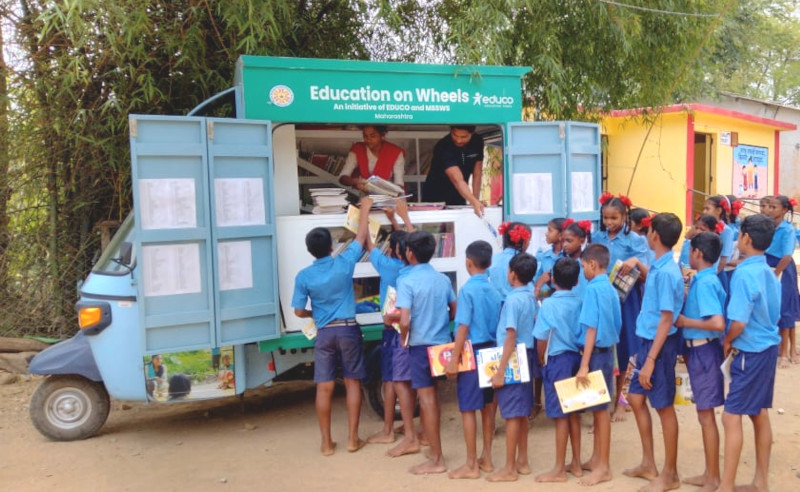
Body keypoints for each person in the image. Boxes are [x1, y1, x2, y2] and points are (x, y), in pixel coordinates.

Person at [291, 197, 372, 456]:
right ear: (332, 246)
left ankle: (326, 444)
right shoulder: (344, 263)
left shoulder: (304, 276)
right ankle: (352, 440)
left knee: (324, 387)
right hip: (348, 329)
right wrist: (366, 208)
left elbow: (298, 310)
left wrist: (317, 313)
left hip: (324, 333)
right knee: (352, 384)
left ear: (309, 250)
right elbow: (361, 237)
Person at [717, 213, 780, 492]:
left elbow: (739, 322)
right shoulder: (767, 269)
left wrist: (728, 340)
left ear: (746, 239)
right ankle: (760, 481)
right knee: (758, 412)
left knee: (731, 416)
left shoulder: (744, 273)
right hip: (767, 346)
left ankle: (727, 485)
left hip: (750, 349)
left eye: (740, 235)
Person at [623, 212, 684, 491]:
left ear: (655, 236)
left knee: (663, 407)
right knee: (635, 397)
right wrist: (637, 263)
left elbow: (666, 318)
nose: (646, 235)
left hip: (658, 346)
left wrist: (649, 360)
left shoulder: (667, 271)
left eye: (648, 231)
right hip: (646, 340)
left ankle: (670, 473)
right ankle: (649, 462)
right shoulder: (660, 266)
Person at [396, 231, 457, 474]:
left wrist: (403, 340)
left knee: (427, 399)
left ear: (409, 253)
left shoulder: (406, 281)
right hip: (442, 345)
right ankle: (432, 449)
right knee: (434, 399)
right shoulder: (442, 279)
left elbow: (404, 320)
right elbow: (454, 309)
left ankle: (436, 458)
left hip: (420, 346)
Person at [592, 193, 651, 423]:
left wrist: (635, 262)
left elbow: (647, 275)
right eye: (606, 218)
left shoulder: (635, 241)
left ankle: (622, 401)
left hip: (627, 301)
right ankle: (601, 401)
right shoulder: (597, 236)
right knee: (603, 347)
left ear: (625, 216)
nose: (609, 223)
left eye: (614, 218)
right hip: (602, 299)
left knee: (627, 349)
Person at [446, 240, 502, 479]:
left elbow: (463, 326)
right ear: (489, 264)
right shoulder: (495, 291)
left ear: (468, 262)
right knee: (488, 408)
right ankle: (486, 458)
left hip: (471, 351)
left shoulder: (467, 290)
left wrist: (453, 359)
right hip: (491, 351)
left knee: (469, 408)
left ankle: (471, 464)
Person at [674, 232, 726, 491]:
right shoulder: (703, 279)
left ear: (698, 254)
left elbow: (717, 323)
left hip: (704, 352)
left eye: (691, 250)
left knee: (706, 416)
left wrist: (685, 322)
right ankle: (709, 473)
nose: (688, 254)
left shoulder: (705, 283)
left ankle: (713, 477)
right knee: (703, 414)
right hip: (698, 352)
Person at [365, 202, 413, 446]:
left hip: (393, 330)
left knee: (392, 379)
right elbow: (411, 242)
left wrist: (363, 214)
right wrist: (399, 219)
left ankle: (388, 430)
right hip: (412, 330)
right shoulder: (412, 267)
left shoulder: (387, 266)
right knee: (410, 379)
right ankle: (409, 426)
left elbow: (367, 244)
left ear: (393, 250)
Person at [486, 253, 537, 482]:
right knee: (522, 412)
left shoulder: (513, 301)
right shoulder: (530, 296)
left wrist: (499, 371)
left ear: (513, 275)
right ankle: (522, 460)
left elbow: (510, 336)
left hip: (513, 358)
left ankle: (509, 467)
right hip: (525, 356)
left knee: (512, 415)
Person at [533, 257, 584, 483]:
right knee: (574, 411)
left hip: (557, 360)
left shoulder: (550, 304)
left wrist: (541, 359)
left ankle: (559, 469)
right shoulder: (581, 301)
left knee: (560, 415)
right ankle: (576, 462)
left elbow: (541, 338)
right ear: (577, 279)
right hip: (578, 358)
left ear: (552, 280)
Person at [576, 244, 622, 486]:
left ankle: (603, 467)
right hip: (606, 352)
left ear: (592, 264)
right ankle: (596, 459)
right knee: (597, 409)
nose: (583, 271)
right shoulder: (610, 288)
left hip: (597, 354)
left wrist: (584, 364)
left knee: (601, 412)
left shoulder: (594, 289)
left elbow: (591, 328)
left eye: (583, 266)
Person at [765, 195, 800, 368]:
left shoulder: (787, 229)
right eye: (768, 207)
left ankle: (786, 353)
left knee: (784, 308)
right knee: (772, 307)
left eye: (773, 207)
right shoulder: (768, 227)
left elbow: (786, 255)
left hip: (782, 268)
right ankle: (777, 348)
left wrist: (775, 274)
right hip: (768, 265)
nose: (769, 210)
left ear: (784, 210)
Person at [421, 125, 485, 217]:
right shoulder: (443, 146)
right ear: (451, 131)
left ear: (472, 134)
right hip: (435, 195)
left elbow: (477, 172)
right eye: (455, 135)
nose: (458, 140)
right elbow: (457, 179)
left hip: (460, 194)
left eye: (464, 137)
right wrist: (473, 201)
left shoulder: (477, 141)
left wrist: (475, 199)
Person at [338, 125, 405, 191]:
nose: (368, 139)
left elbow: (399, 183)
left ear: (382, 136)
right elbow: (343, 178)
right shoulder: (357, 149)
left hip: (389, 197)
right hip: (365, 196)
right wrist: (356, 181)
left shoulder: (395, 152)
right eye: (365, 136)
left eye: (372, 136)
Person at [703, 195, 743, 293]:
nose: (704, 212)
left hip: (717, 273)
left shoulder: (726, 231)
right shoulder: (705, 227)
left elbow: (724, 258)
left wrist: (714, 274)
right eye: (704, 209)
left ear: (718, 211)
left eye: (707, 209)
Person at [488, 221, 532, 299]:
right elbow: (534, 291)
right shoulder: (526, 262)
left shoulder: (492, 259)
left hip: (495, 307)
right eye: (529, 240)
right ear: (525, 242)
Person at [534, 217, 566, 299]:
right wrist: (541, 281)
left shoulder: (568, 256)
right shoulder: (545, 256)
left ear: (561, 235)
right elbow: (537, 282)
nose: (546, 233)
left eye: (550, 230)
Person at [560, 219, 591, 296]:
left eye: (569, 241)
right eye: (563, 241)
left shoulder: (587, 265)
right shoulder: (561, 263)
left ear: (582, 241)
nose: (564, 245)